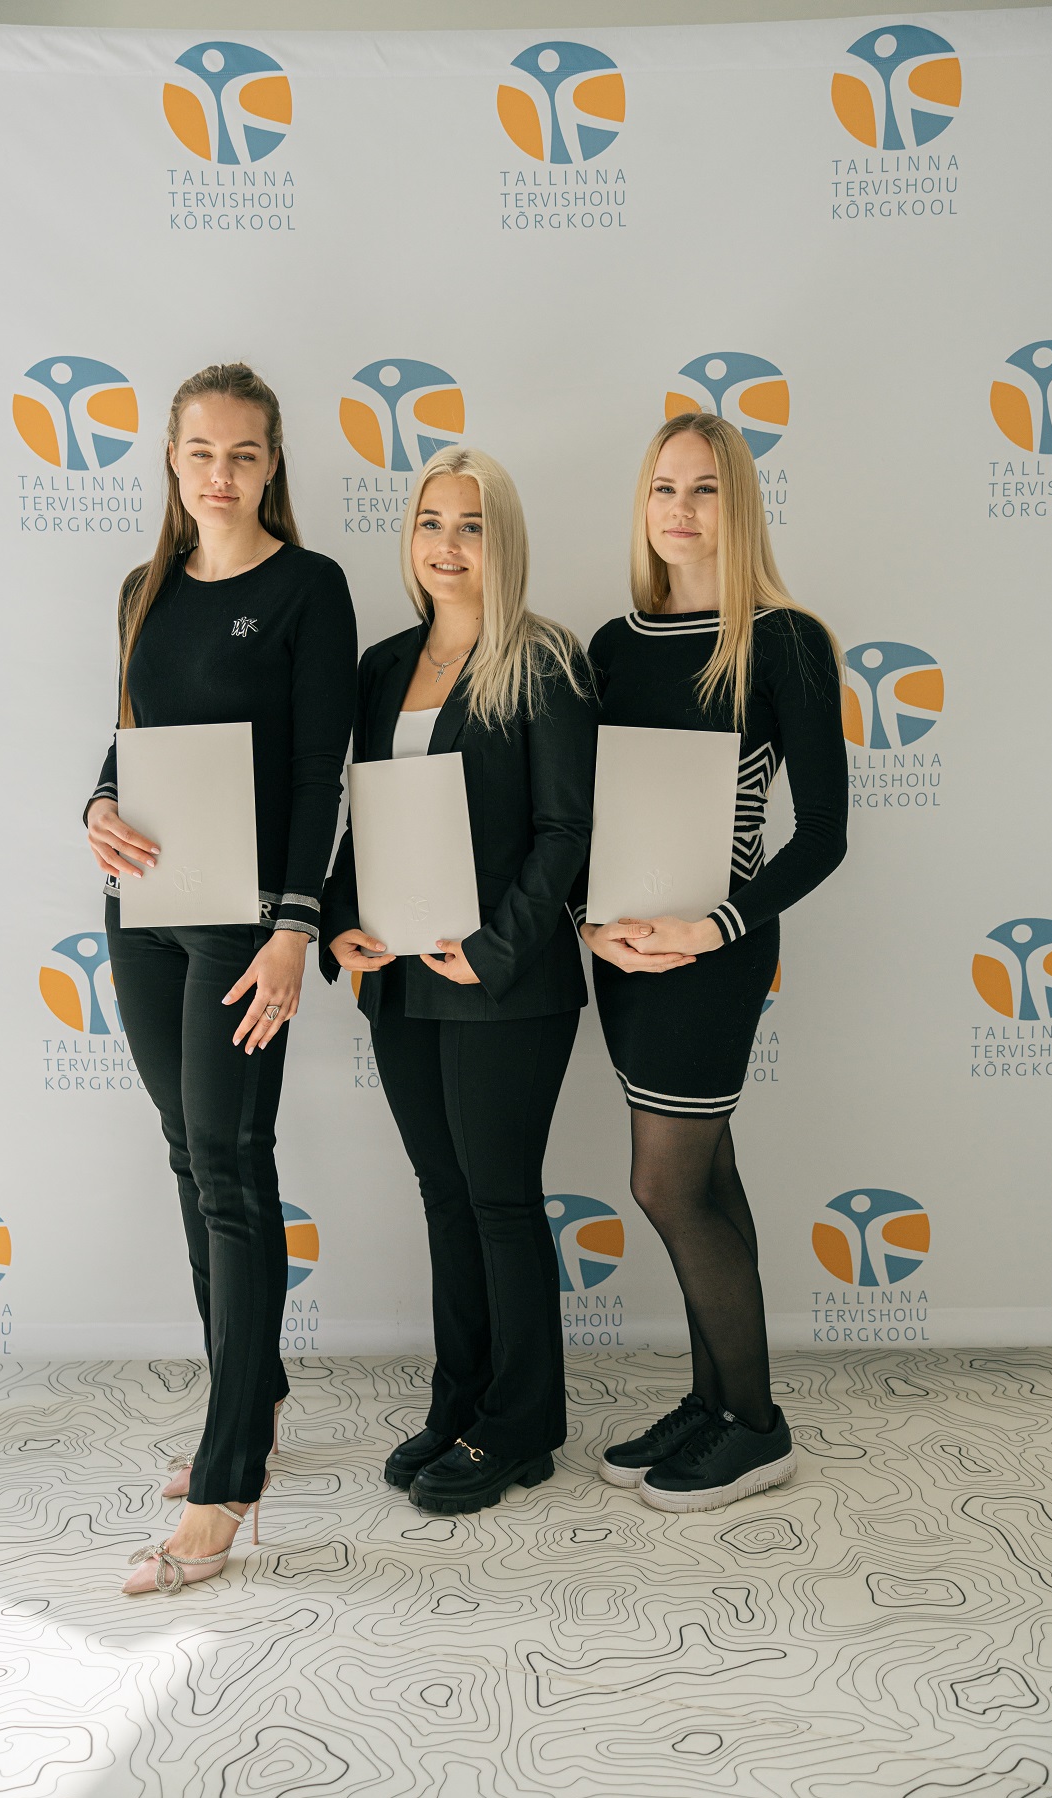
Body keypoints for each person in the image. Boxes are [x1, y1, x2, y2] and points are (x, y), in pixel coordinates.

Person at [83, 363, 357, 1593]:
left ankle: (229, 1478)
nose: (221, 474)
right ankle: (256, 1395)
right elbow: (132, 737)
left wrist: (296, 925)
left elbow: (315, 772)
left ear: (273, 463)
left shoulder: (309, 588)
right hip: (143, 910)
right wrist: (95, 805)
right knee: (190, 1158)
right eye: (201, 451)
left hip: (246, 923)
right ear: (172, 460)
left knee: (235, 1169)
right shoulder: (143, 589)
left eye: (244, 453)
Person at [578, 411, 847, 1511]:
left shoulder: (782, 640)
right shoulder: (611, 644)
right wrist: (590, 925)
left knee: (664, 1184)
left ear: (739, 507)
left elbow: (822, 836)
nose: (680, 510)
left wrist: (710, 929)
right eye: (663, 488)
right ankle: (713, 1401)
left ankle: (758, 1428)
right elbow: (583, 817)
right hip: (620, 953)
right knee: (710, 1181)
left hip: (715, 954)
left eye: (704, 490)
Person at [321, 447, 596, 1516]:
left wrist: (495, 946)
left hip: (505, 983)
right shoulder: (381, 666)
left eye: (471, 526)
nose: (447, 545)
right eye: (431, 522)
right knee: (445, 1196)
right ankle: (463, 1401)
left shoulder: (546, 659)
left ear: (503, 541)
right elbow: (363, 817)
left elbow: (566, 829)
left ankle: (523, 1424)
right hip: (401, 978)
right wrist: (340, 920)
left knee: (499, 1200)